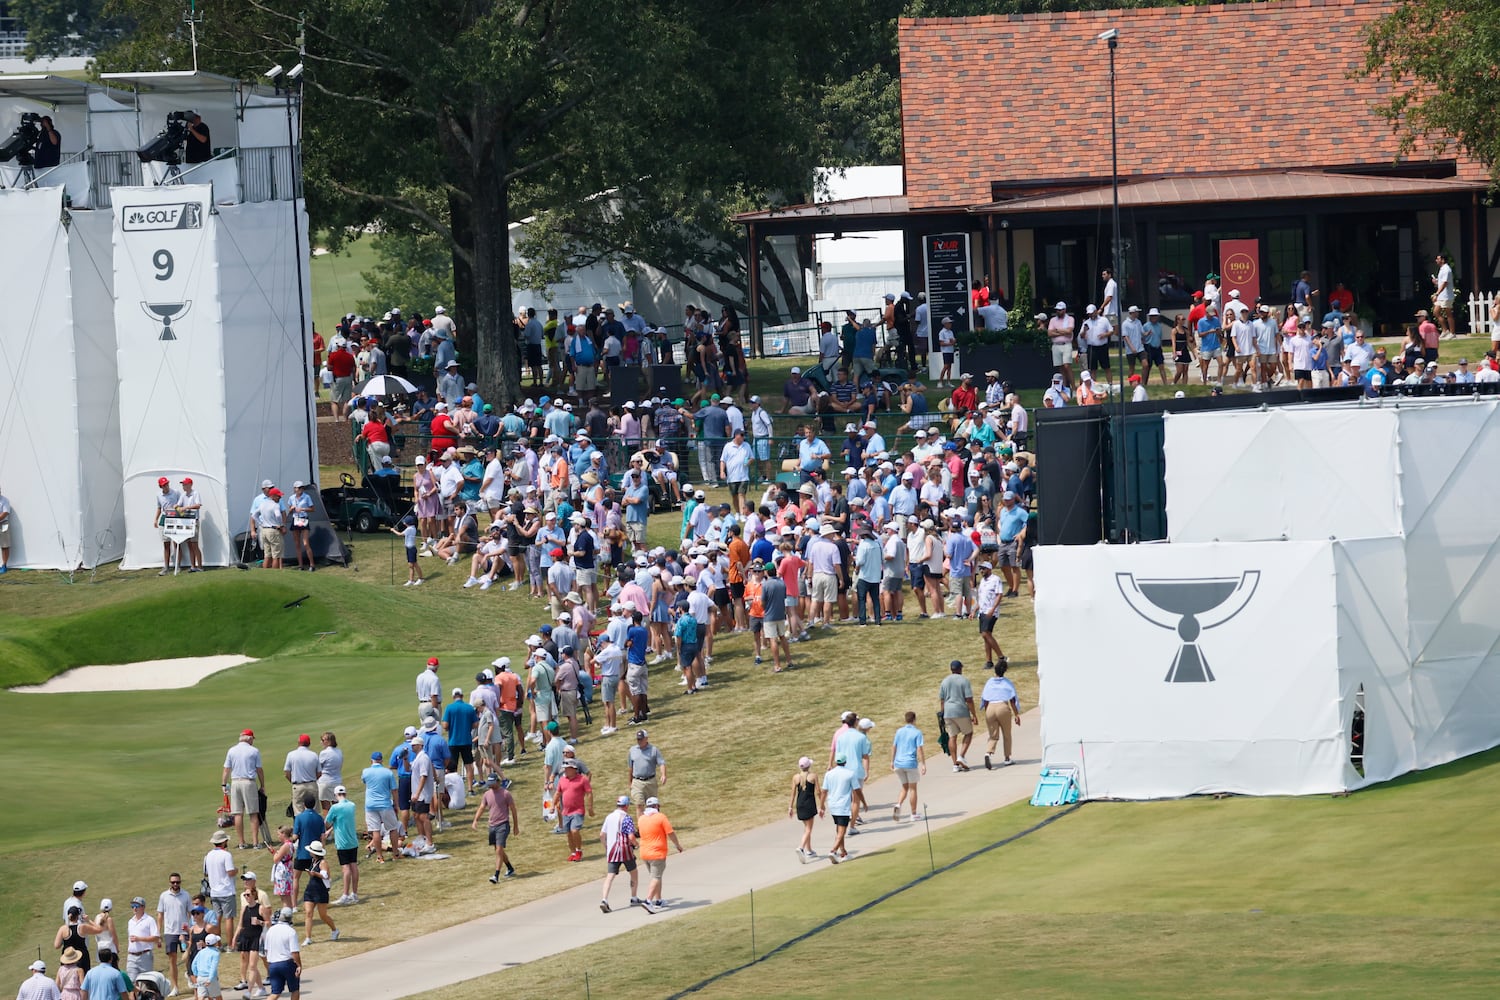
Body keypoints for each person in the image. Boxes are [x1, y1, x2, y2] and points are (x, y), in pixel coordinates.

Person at [635, 796, 683, 911]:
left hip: (645, 853)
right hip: (657, 853)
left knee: (655, 877)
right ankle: (648, 900)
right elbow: (670, 833)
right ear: (657, 806)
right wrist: (677, 845)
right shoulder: (661, 817)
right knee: (656, 877)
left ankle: (659, 900)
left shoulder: (641, 819)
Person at [472, 774, 519, 884]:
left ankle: (496, 875)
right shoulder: (487, 794)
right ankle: (510, 868)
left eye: (493, 784)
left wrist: (516, 826)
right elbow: (482, 807)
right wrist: (475, 820)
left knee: (498, 849)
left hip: (503, 824)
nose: (491, 786)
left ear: (498, 782)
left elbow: (513, 810)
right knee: (498, 850)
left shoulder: (506, 794)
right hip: (492, 825)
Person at [598, 795, 641, 912]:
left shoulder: (609, 817)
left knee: (610, 876)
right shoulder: (627, 818)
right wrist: (637, 845)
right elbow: (631, 836)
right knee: (633, 873)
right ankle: (633, 897)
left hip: (612, 850)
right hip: (625, 849)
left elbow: (602, 835)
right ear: (626, 806)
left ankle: (604, 899)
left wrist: (606, 846)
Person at [359, 750, 402, 863]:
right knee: (393, 828)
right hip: (385, 804)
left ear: (371, 760)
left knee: (375, 831)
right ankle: (395, 854)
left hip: (370, 805)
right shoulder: (388, 773)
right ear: (381, 760)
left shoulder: (366, 771)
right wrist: (396, 805)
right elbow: (394, 790)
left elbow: (364, 781)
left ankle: (379, 857)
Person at [980, 661, 1022, 770]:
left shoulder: (989, 682)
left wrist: (987, 712)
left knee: (993, 735)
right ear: (1005, 671)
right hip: (1002, 707)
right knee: (1006, 734)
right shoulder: (1007, 683)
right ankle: (1007, 758)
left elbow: (984, 699)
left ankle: (988, 753)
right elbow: (1012, 700)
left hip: (990, 708)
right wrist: (1016, 714)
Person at [232, 873, 268, 996]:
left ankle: (248, 992)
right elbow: (240, 925)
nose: (246, 896)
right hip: (245, 937)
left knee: (252, 966)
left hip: (256, 938)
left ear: (253, 895)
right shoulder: (244, 909)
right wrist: (234, 938)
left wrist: (260, 922)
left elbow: (269, 923)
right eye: (245, 895)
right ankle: (262, 988)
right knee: (251, 966)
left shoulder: (260, 908)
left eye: (248, 894)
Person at [939, 659, 978, 772]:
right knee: (969, 733)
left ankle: (955, 764)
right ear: (960, 669)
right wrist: (974, 714)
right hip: (960, 710)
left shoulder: (944, 681)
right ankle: (961, 756)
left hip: (948, 712)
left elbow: (942, 700)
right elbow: (969, 699)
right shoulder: (964, 680)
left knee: (952, 737)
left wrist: (942, 713)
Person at [818, 755, 857, 864]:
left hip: (833, 805)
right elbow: (856, 790)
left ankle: (843, 852)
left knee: (838, 829)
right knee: (842, 830)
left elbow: (824, 791)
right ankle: (833, 851)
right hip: (843, 806)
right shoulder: (849, 773)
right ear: (845, 762)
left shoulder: (829, 774)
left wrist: (821, 806)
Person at [324, 786, 360, 905]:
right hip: (352, 840)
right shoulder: (352, 805)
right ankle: (354, 894)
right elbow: (341, 820)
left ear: (335, 795)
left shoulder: (334, 808)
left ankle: (345, 894)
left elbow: (327, 823)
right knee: (353, 865)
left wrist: (329, 829)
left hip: (342, 842)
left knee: (346, 868)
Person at [155, 876, 190, 993]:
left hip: (184, 931)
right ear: (170, 882)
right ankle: (175, 987)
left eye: (178, 882)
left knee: (188, 956)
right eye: (173, 882)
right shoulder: (164, 896)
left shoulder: (186, 895)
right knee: (172, 960)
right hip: (170, 931)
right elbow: (160, 914)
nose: (175, 884)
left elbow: (190, 912)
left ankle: (190, 975)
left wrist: (190, 929)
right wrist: (158, 931)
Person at [891, 711, 927, 822]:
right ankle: (913, 814)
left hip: (898, 763)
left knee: (904, 787)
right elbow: (919, 749)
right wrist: (923, 764)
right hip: (910, 763)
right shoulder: (917, 732)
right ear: (914, 720)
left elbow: (894, 746)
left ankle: (898, 804)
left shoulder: (899, 731)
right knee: (912, 789)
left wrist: (892, 761)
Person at [202, 831, 237, 942]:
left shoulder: (208, 855)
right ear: (223, 842)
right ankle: (230, 944)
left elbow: (206, 873)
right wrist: (237, 870)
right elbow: (230, 872)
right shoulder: (226, 855)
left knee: (217, 918)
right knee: (228, 918)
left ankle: (217, 943)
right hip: (226, 891)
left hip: (214, 892)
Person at [556, 759, 594, 863]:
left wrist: (590, 808)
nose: (565, 771)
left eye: (567, 769)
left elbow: (589, 793)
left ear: (574, 769)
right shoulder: (562, 780)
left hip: (578, 810)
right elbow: (558, 793)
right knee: (568, 833)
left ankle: (578, 850)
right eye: (565, 769)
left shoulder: (582, 779)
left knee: (574, 831)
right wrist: (553, 805)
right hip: (566, 811)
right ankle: (573, 853)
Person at [300, 843, 337, 945]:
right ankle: (308, 938)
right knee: (308, 913)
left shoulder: (323, 862)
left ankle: (334, 929)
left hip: (321, 891)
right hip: (310, 890)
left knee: (323, 915)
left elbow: (325, 875)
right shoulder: (313, 861)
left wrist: (315, 874)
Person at [261, 908, 300, 1000]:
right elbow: (294, 952)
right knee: (294, 990)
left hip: (273, 965)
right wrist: (299, 965)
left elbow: (266, 950)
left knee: (275, 993)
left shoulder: (270, 931)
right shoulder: (291, 931)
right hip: (287, 964)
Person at [788, 756, 820, 861]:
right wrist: (822, 803)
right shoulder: (813, 776)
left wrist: (790, 807)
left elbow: (793, 794)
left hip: (800, 804)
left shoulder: (795, 777)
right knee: (809, 829)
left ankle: (809, 850)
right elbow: (819, 791)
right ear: (809, 766)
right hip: (809, 803)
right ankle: (801, 847)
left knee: (806, 828)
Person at [628, 729, 666, 809]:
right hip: (637, 782)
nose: (639, 741)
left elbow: (661, 763)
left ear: (646, 738)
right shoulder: (632, 750)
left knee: (653, 806)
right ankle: (641, 821)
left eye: (641, 739)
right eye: (638, 739)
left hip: (650, 782)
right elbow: (630, 768)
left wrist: (663, 775)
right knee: (639, 805)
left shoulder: (654, 750)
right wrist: (630, 782)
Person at [123, 898, 159, 977]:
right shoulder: (130, 922)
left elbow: (156, 937)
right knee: (131, 983)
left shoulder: (149, 920)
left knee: (146, 980)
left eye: (136, 906)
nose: (134, 908)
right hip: (131, 956)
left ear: (143, 907)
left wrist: (139, 939)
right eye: (132, 906)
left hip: (144, 956)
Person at [188, 932, 221, 1000]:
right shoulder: (216, 953)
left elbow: (194, 964)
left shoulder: (201, 952)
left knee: (201, 996)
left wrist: (196, 974)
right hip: (210, 978)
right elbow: (213, 967)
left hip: (200, 977)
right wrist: (210, 979)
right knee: (218, 996)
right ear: (215, 943)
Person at [0, 485, 11, 574]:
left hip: (3, 524)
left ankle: (4, 565)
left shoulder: (5, 500)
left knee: (4, 545)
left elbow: (5, 512)